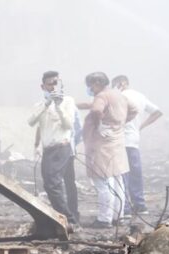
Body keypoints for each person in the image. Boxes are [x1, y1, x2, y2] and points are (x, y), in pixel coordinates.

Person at [81, 72, 137, 229]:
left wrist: (99, 124)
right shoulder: (118, 95)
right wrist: (119, 123)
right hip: (116, 141)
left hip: (102, 144)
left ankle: (104, 219)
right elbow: (134, 109)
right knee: (117, 178)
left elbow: (96, 110)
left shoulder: (102, 96)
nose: (89, 89)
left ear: (97, 83)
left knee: (103, 181)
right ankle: (117, 216)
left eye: (90, 85)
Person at [28, 71, 79, 226]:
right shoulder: (40, 105)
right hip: (48, 149)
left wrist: (58, 106)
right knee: (56, 183)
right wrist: (47, 104)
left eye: (56, 83)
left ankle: (68, 219)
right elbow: (31, 121)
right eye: (50, 84)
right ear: (43, 86)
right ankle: (70, 218)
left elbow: (69, 125)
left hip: (62, 147)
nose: (53, 87)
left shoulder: (68, 101)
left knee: (54, 183)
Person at [111, 75, 162, 216]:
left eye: (114, 84)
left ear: (122, 83)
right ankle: (140, 205)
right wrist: (141, 126)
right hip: (134, 140)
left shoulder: (119, 96)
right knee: (135, 173)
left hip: (120, 139)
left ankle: (125, 208)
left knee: (122, 174)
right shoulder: (140, 96)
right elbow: (157, 112)